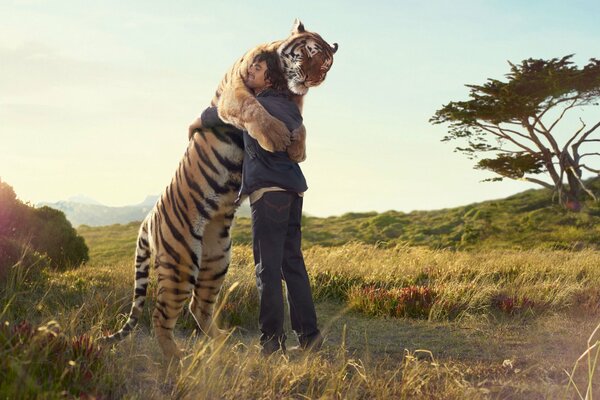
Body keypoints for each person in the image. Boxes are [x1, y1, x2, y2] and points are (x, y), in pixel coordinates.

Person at [192, 52, 322, 356]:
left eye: (259, 68)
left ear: (272, 77)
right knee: (293, 264)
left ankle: (271, 343)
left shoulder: (257, 105)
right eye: (252, 65)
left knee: (267, 268)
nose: (251, 70)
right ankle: (309, 337)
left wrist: (196, 121)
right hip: (293, 190)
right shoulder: (290, 107)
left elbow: (222, 113)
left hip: (270, 192)